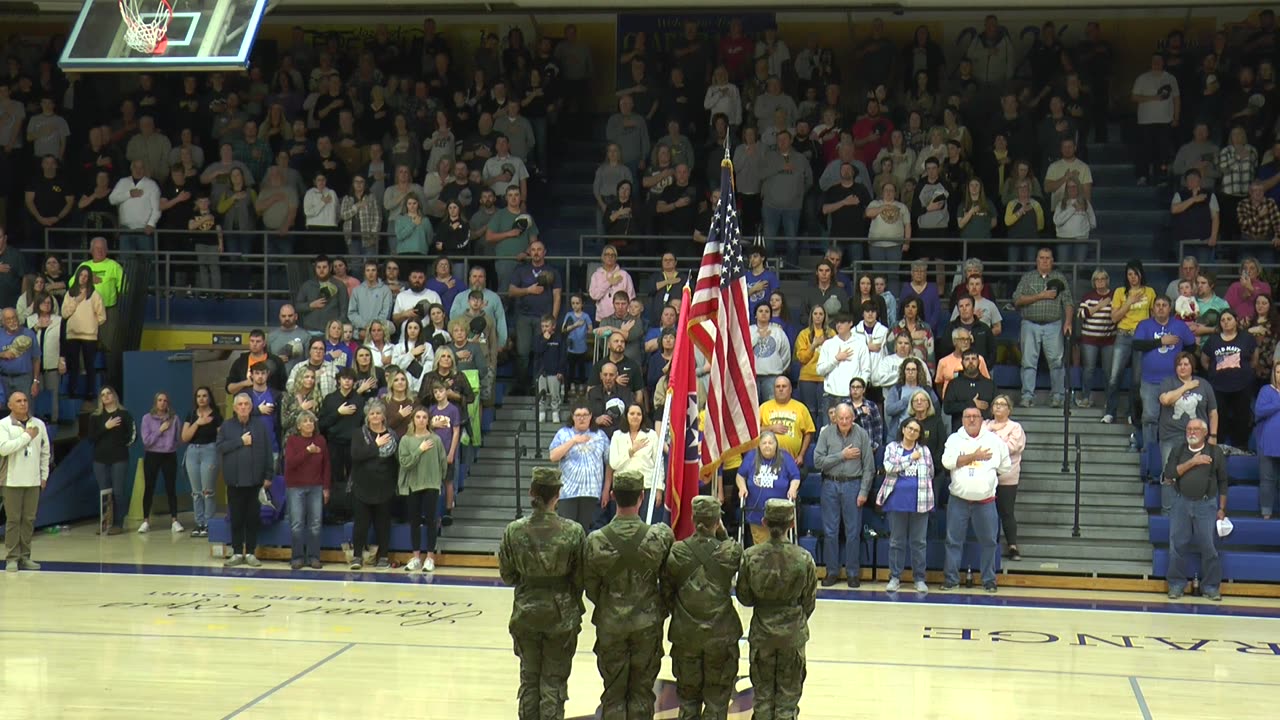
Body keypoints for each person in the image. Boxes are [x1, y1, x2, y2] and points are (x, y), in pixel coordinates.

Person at [583, 471, 674, 719]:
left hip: (611, 624)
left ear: (612, 496)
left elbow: (590, 586)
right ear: (641, 497)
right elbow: (669, 582)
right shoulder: (659, 537)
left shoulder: (595, 541)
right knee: (642, 694)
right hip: (647, 625)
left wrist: (608, 604)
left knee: (613, 694)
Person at [498, 467, 587, 720]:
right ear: (558, 495)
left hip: (526, 613)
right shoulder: (573, 531)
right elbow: (581, 577)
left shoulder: (514, 531)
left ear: (531, 493)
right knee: (553, 684)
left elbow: (508, 575)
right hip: (561, 616)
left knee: (529, 680)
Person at [662, 495, 743, 720]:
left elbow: (667, 593)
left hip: (686, 635)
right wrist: (721, 532)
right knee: (717, 703)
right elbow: (729, 547)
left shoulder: (677, 552)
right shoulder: (730, 552)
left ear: (692, 518)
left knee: (688, 702)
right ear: (718, 522)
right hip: (721, 637)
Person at [735, 499, 816, 720]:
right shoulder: (804, 558)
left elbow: (744, 597)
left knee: (762, 699)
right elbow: (809, 602)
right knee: (787, 702)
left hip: (762, 635)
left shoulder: (750, 556)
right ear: (791, 524)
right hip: (792, 636)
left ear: (764, 522)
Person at [940, 407, 1011, 592]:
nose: (971, 420)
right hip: (958, 500)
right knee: (953, 541)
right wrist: (975, 456)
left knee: (989, 542)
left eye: (975, 416)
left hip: (986, 502)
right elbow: (947, 462)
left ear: (981, 419)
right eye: (968, 416)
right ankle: (951, 579)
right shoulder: (954, 439)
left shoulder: (994, 441)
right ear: (962, 419)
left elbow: (1005, 466)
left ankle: (989, 580)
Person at [1162, 419, 1228, 601]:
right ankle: (1176, 585)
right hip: (1180, 502)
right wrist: (1193, 462)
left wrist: (1222, 508)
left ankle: (1211, 586)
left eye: (1196, 429)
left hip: (1206, 505)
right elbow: (1169, 474)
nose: (1191, 432)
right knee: (1177, 546)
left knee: (1209, 547)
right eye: (1189, 429)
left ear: (1205, 432)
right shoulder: (1179, 449)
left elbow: (1223, 482)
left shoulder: (1215, 452)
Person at [813, 403, 875, 587]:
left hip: (853, 485)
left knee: (853, 532)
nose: (845, 421)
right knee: (830, 532)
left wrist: (864, 491)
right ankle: (832, 572)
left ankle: (853, 573)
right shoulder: (826, 434)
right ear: (835, 418)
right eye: (841, 418)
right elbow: (817, 462)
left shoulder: (862, 434)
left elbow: (869, 467)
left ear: (853, 418)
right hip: (830, 484)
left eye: (848, 418)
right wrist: (841, 455)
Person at [877, 418, 934, 593]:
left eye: (916, 430)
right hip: (896, 500)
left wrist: (906, 462)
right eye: (909, 428)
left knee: (919, 542)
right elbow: (888, 467)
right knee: (896, 541)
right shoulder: (892, 448)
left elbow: (930, 472)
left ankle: (919, 578)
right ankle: (895, 577)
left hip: (920, 501)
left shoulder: (924, 451)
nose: (912, 432)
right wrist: (909, 458)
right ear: (903, 429)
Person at [1012, 247, 1073, 408]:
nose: (1045, 260)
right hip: (1030, 324)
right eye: (1042, 258)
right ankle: (1027, 396)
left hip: (1054, 325)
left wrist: (1068, 322)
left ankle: (1058, 396)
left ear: (1052, 261)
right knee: (1028, 362)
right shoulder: (1028, 277)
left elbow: (1068, 302)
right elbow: (1017, 300)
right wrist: (1040, 296)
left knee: (1056, 362)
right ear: (1037, 260)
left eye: (1048, 258)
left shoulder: (1059, 278)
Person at [217, 392, 272, 567]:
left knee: (252, 518)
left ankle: (250, 552)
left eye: (246, 404)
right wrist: (240, 442)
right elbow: (220, 447)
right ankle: (236, 552)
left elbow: (268, 452)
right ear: (234, 408)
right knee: (237, 518)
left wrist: (268, 475)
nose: (243, 407)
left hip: (255, 481)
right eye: (239, 404)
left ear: (251, 407)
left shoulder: (260, 426)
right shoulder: (226, 426)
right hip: (234, 481)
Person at [0, 392, 50, 572]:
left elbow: (45, 452)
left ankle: (25, 556)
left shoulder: (39, 424)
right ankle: (12, 558)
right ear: (10, 405)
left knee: (29, 520)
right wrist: (27, 437)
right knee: (13, 520)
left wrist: (44, 476)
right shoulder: (3, 425)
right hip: (11, 480)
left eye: (25, 400)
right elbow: (4, 449)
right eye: (18, 401)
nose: (23, 404)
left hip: (33, 480)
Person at [349, 399, 398, 569]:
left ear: (383, 416)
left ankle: (383, 556)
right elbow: (356, 455)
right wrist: (375, 446)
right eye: (372, 413)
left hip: (385, 486)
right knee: (361, 524)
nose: (375, 416)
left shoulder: (392, 435)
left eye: (378, 413)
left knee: (383, 524)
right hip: (362, 486)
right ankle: (357, 556)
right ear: (367, 417)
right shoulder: (358, 433)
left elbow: (395, 461)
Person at [399, 405, 448, 572]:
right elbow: (405, 463)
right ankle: (415, 557)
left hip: (431, 485)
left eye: (424, 417)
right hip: (413, 485)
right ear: (413, 419)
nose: (421, 420)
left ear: (428, 420)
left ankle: (430, 557)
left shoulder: (436, 440)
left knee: (431, 521)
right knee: (414, 522)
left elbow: (443, 463)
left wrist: (437, 479)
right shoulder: (406, 440)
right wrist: (419, 450)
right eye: (418, 417)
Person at [549, 403, 610, 529]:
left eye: (585, 415)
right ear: (572, 416)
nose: (581, 418)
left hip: (592, 493)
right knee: (567, 532)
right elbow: (553, 457)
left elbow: (609, 463)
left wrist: (606, 489)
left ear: (591, 416)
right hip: (568, 493)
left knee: (587, 533)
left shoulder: (600, 435)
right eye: (578, 415)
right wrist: (573, 441)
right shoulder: (563, 433)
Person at [736, 429, 801, 546]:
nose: (767, 446)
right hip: (756, 513)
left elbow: (795, 476)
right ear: (759, 445)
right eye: (764, 443)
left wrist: (792, 489)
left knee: (779, 548)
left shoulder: (785, 457)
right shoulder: (751, 456)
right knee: (761, 548)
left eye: (770, 443)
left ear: (776, 445)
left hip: (780, 516)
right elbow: (740, 475)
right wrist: (742, 487)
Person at [283, 409, 329, 570]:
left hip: (316, 487)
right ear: (299, 426)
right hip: (295, 487)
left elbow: (326, 465)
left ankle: (314, 557)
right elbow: (290, 464)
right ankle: (297, 557)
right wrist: (307, 452)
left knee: (315, 524)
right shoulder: (292, 441)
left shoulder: (321, 440)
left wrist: (326, 487)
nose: (309, 424)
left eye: (311, 421)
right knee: (297, 524)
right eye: (305, 421)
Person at [984, 395, 1026, 561]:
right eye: (996, 404)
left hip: (1007, 477)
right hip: (986, 476)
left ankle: (1012, 546)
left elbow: (1012, 447)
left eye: (1003, 404)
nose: (999, 407)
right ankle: (990, 545)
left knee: (1007, 512)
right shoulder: (985, 425)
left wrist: (992, 444)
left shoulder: (1015, 427)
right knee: (988, 513)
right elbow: (979, 445)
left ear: (1009, 409)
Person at [89, 386, 134, 535]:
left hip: (119, 458)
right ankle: (105, 523)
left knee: (118, 491)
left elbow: (133, 435)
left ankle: (118, 523)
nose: (106, 396)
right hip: (100, 459)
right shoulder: (95, 417)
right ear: (100, 399)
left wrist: (122, 445)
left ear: (114, 396)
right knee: (104, 492)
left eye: (109, 393)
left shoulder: (124, 414)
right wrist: (106, 427)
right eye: (103, 394)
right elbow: (91, 438)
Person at [138, 392, 183, 534]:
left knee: (171, 487)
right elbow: (146, 441)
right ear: (155, 402)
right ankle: (145, 521)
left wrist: (170, 446)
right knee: (149, 487)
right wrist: (160, 430)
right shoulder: (147, 418)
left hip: (169, 455)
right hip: (152, 455)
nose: (162, 403)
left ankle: (174, 520)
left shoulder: (174, 419)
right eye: (160, 400)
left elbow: (178, 439)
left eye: (165, 400)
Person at [180, 386, 221, 538]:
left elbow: (221, 436)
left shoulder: (216, 416)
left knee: (207, 491)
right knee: (196, 492)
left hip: (209, 451)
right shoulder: (191, 415)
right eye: (199, 396)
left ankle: (209, 523)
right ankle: (199, 523)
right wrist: (198, 423)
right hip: (192, 452)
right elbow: (185, 437)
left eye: (204, 396)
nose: (202, 399)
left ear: (209, 397)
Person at [758, 375, 816, 469]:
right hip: (767, 462)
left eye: (784, 386)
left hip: (792, 461)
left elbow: (809, 432)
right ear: (774, 390)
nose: (781, 389)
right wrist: (771, 428)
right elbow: (753, 432)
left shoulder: (801, 408)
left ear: (790, 390)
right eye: (778, 386)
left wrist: (801, 455)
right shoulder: (763, 408)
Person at [942, 350, 997, 429]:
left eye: (973, 359)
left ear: (979, 362)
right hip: (960, 432)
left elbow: (996, 407)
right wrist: (971, 404)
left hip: (986, 432)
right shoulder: (954, 384)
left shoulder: (989, 384)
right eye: (967, 359)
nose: (970, 362)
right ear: (962, 363)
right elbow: (947, 408)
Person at [1256, 361, 1280, 519]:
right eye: (1278, 372)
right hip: (1267, 443)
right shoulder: (1266, 390)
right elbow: (1259, 410)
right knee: (1267, 480)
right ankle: (1266, 512)